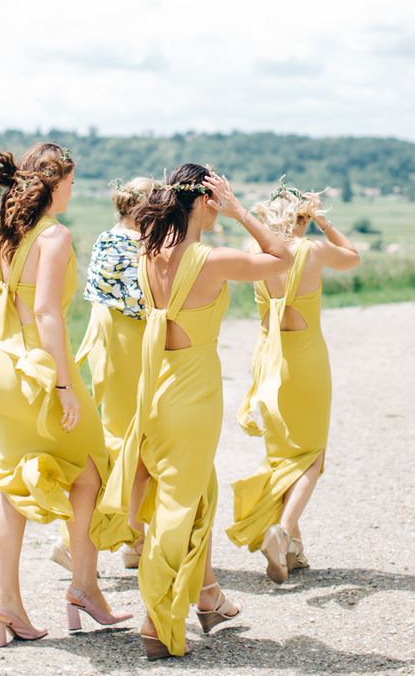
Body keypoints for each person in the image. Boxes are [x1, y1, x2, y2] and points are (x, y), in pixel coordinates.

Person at [100, 164, 293, 659]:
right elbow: (283, 256)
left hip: (155, 390)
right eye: (218, 198)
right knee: (177, 506)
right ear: (206, 200)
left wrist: (222, 204)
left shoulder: (149, 252)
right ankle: (154, 621)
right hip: (193, 395)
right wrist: (240, 210)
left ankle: (207, 598)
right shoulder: (210, 259)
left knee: (195, 489)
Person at [0, 143, 131, 648]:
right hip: (38, 371)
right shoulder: (55, 236)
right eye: (71, 181)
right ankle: (84, 588)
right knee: (91, 468)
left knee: (11, 485)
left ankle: (7, 606)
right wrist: (64, 386)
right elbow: (46, 314)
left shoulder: (5, 233)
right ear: (54, 183)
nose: (74, 189)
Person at [226, 182, 359, 583]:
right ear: (301, 218)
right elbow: (353, 257)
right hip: (305, 359)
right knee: (311, 455)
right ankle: (282, 532)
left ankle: (294, 551)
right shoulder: (312, 250)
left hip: (269, 358)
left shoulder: (255, 254)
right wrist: (323, 222)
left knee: (283, 453)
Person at [50, 177, 153, 573]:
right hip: (126, 342)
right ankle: (72, 540)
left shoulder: (109, 238)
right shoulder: (133, 244)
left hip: (110, 339)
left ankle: (134, 535)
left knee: (136, 440)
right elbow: (141, 302)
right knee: (126, 440)